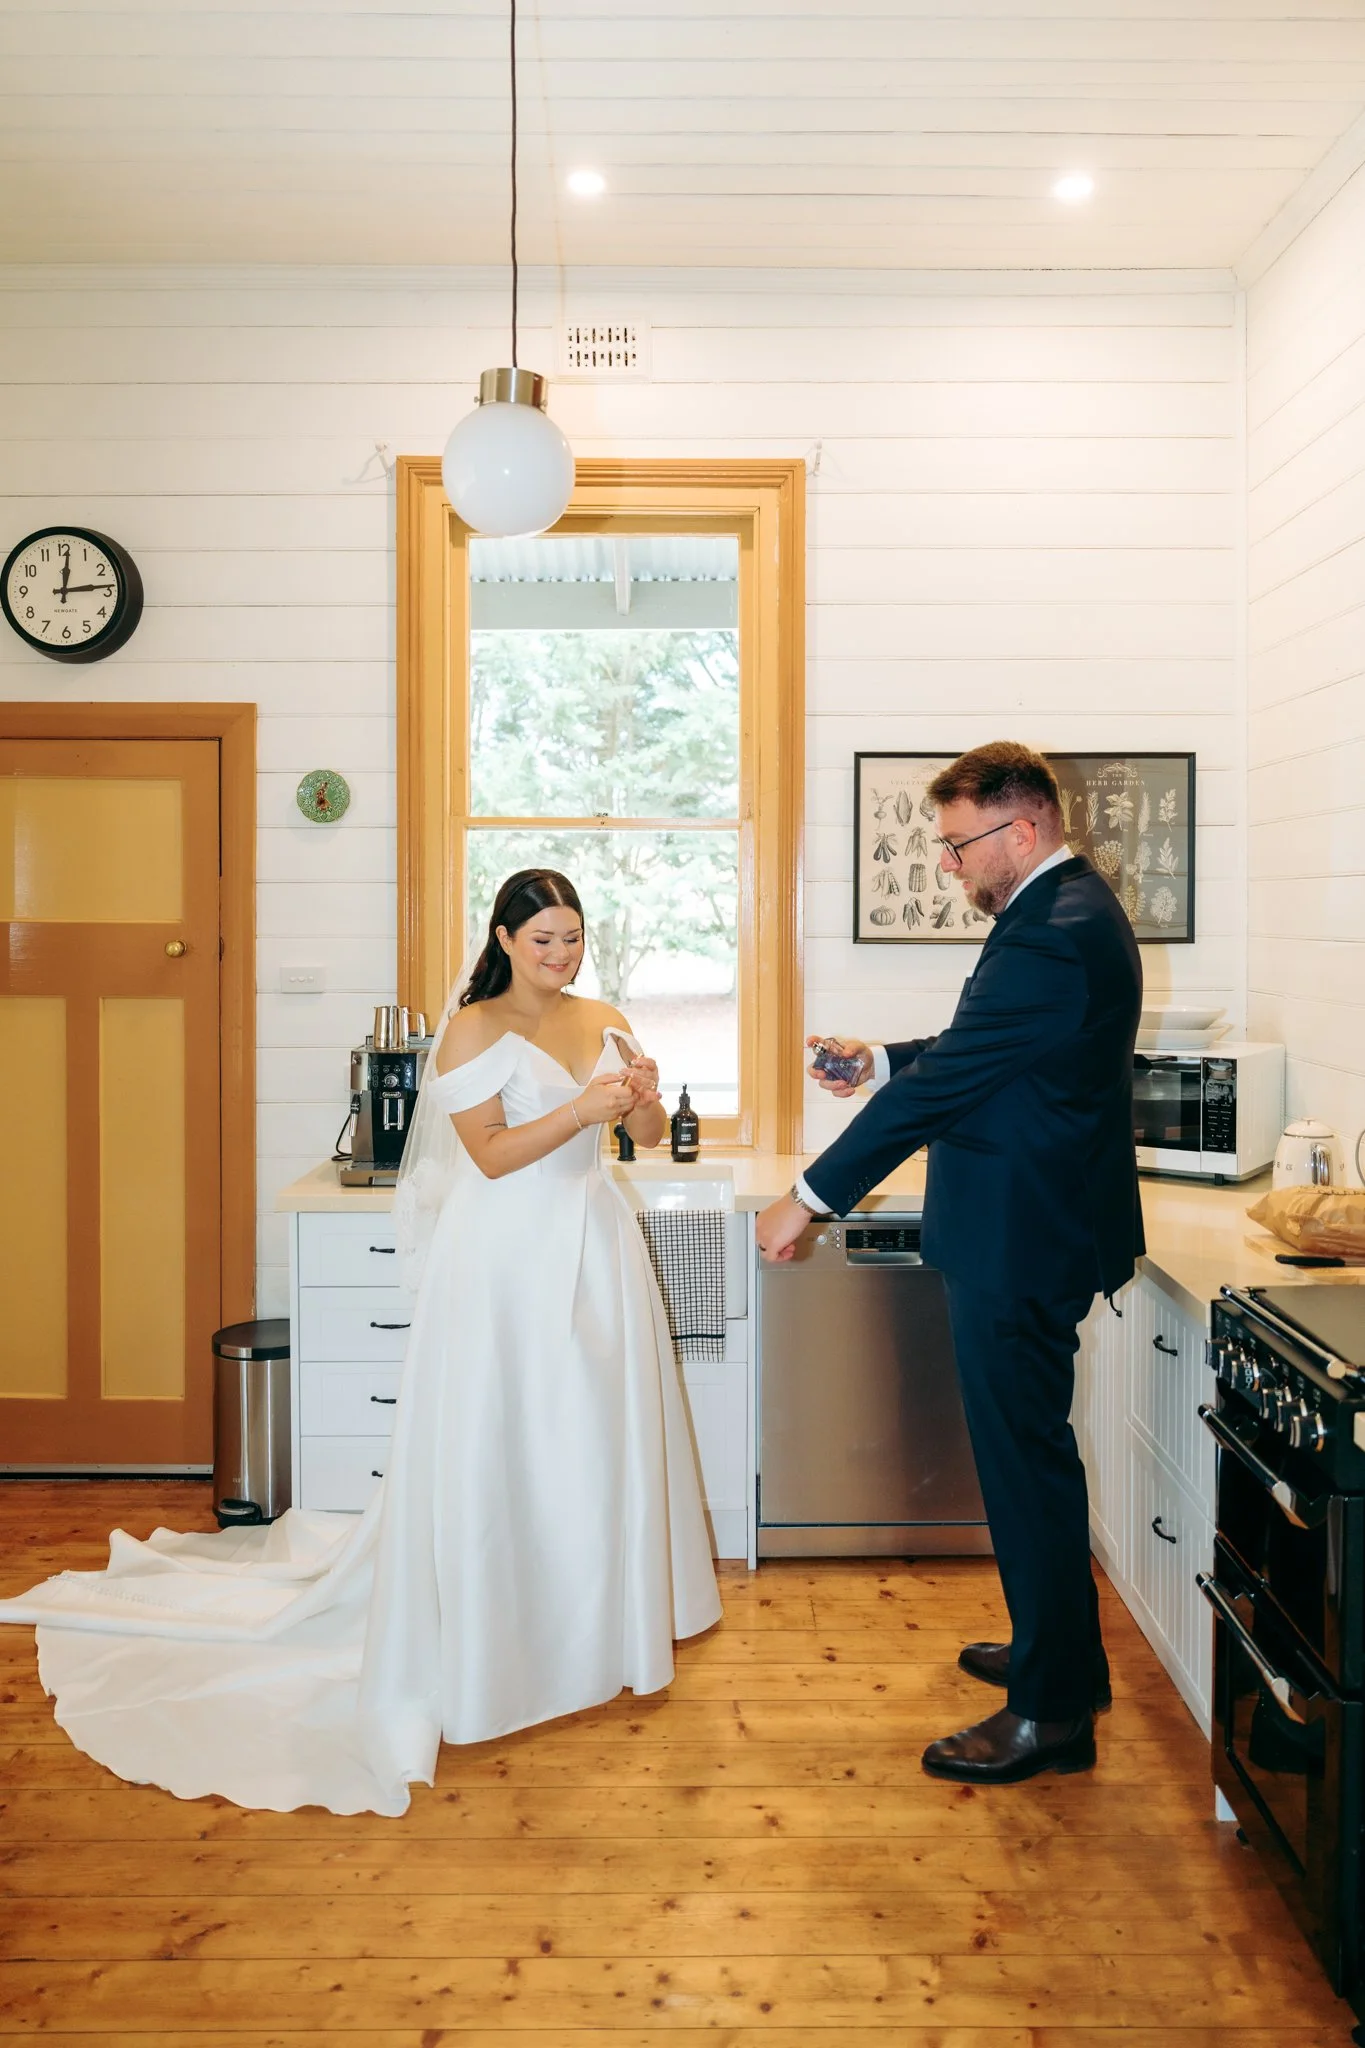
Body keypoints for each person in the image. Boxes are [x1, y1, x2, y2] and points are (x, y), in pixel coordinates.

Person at [0, 868, 721, 1815]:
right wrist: (580, 1110)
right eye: (543, 938)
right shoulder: (472, 1029)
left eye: (573, 936)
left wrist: (638, 1097)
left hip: (595, 1245)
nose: (561, 954)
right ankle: (496, 1635)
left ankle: (595, 1621)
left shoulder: (604, 1017)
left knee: (588, 1430)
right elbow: (490, 1157)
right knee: (502, 1431)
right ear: (504, 940)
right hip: (503, 1257)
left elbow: (643, 1134)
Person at [755, 742, 1143, 1786]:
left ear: (1024, 828)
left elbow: (952, 1086)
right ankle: (1062, 1655)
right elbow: (982, 1047)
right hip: (1031, 1231)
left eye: (959, 843)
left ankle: (1051, 1714)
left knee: (1024, 1465)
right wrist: (881, 1058)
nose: (947, 862)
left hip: (1022, 1239)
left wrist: (808, 1196)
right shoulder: (1062, 913)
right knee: (1032, 1458)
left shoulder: (1052, 929)